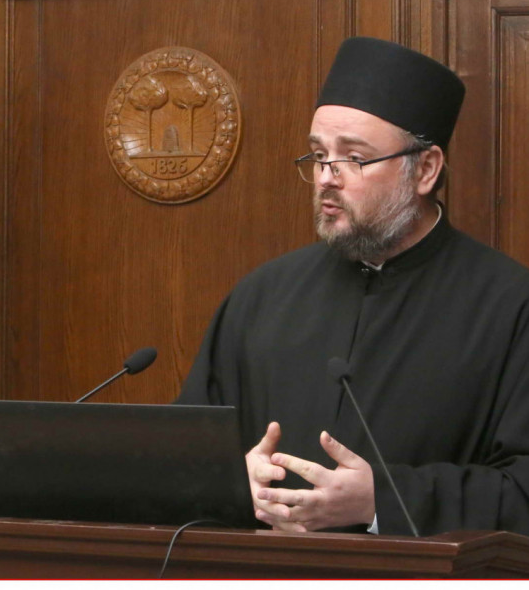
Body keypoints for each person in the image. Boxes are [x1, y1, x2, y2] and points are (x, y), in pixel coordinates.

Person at [177, 37, 529, 537]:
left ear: (426, 170)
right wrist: (231, 480)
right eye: (319, 155)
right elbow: (184, 455)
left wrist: (381, 501)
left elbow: (522, 490)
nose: (326, 177)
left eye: (355, 158)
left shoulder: (511, 306)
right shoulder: (262, 295)